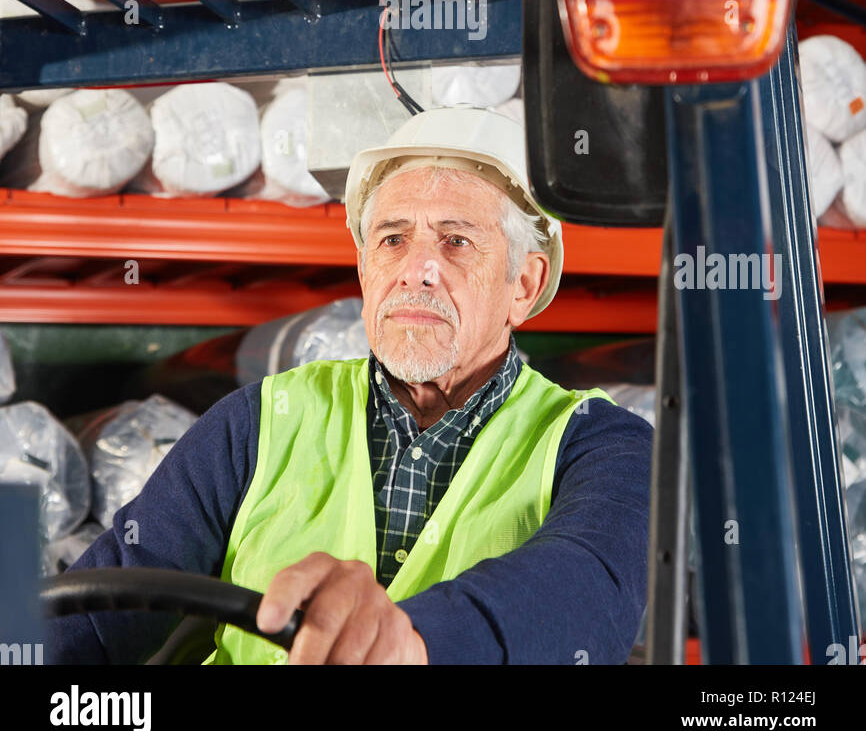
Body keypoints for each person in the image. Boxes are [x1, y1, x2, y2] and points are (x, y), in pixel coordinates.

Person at [46, 105, 653, 666]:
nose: (417, 268)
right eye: (392, 239)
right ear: (366, 270)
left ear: (524, 283)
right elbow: (103, 613)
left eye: (456, 240)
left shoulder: (602, 445)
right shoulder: (260, 421)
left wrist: (411, 639)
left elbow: (589, 588)